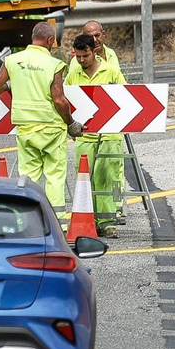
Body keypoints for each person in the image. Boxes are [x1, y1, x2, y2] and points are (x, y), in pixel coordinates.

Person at [0, 21, 72, 215]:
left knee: (28, 176)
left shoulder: (13, 61)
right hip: (52, 128)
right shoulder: (54, 64)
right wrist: (71, 122)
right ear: (50, 40)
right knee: (54, 176)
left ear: (32, 38)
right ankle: (57, 220)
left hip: (25, 128)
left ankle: (26, 219)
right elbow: (59, 100)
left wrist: (9, 85)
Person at [64, 33, 128, 237]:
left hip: (109, 135)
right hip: (85, 135)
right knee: (84, 178)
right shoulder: (73, 74)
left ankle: (107, 223)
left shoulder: (112, 71)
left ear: (95, 51)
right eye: (78, 57)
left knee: (105, 177)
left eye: (86, 56)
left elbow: (126, 97)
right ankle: (87, 222)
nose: (82, 60)